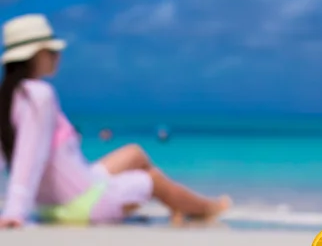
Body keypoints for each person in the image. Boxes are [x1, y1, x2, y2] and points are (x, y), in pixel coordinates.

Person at [0, 14, 231, 229]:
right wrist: (15, 212)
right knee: (151, 180)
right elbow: (29, 156)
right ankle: (205, 209)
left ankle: (182, 209)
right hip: (80, 205)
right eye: (52, 51)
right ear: (37, 54)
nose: (57, 57)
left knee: (134, 154)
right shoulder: (38, 95)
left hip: (60, 199)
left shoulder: (8, 98)